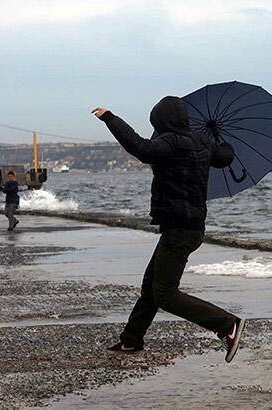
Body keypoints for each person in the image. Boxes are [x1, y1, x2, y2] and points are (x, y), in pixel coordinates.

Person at [91, 96, 245, 363]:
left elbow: (138, 146)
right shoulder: (203, 142)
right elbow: (225, 157)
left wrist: (110, 118)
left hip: (180, 229)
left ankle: (226, 324)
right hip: (191, 227)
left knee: (165, 294)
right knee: (151, 286)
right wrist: (223, 142)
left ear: (161, 121)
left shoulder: (170, 143)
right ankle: (131, 340)